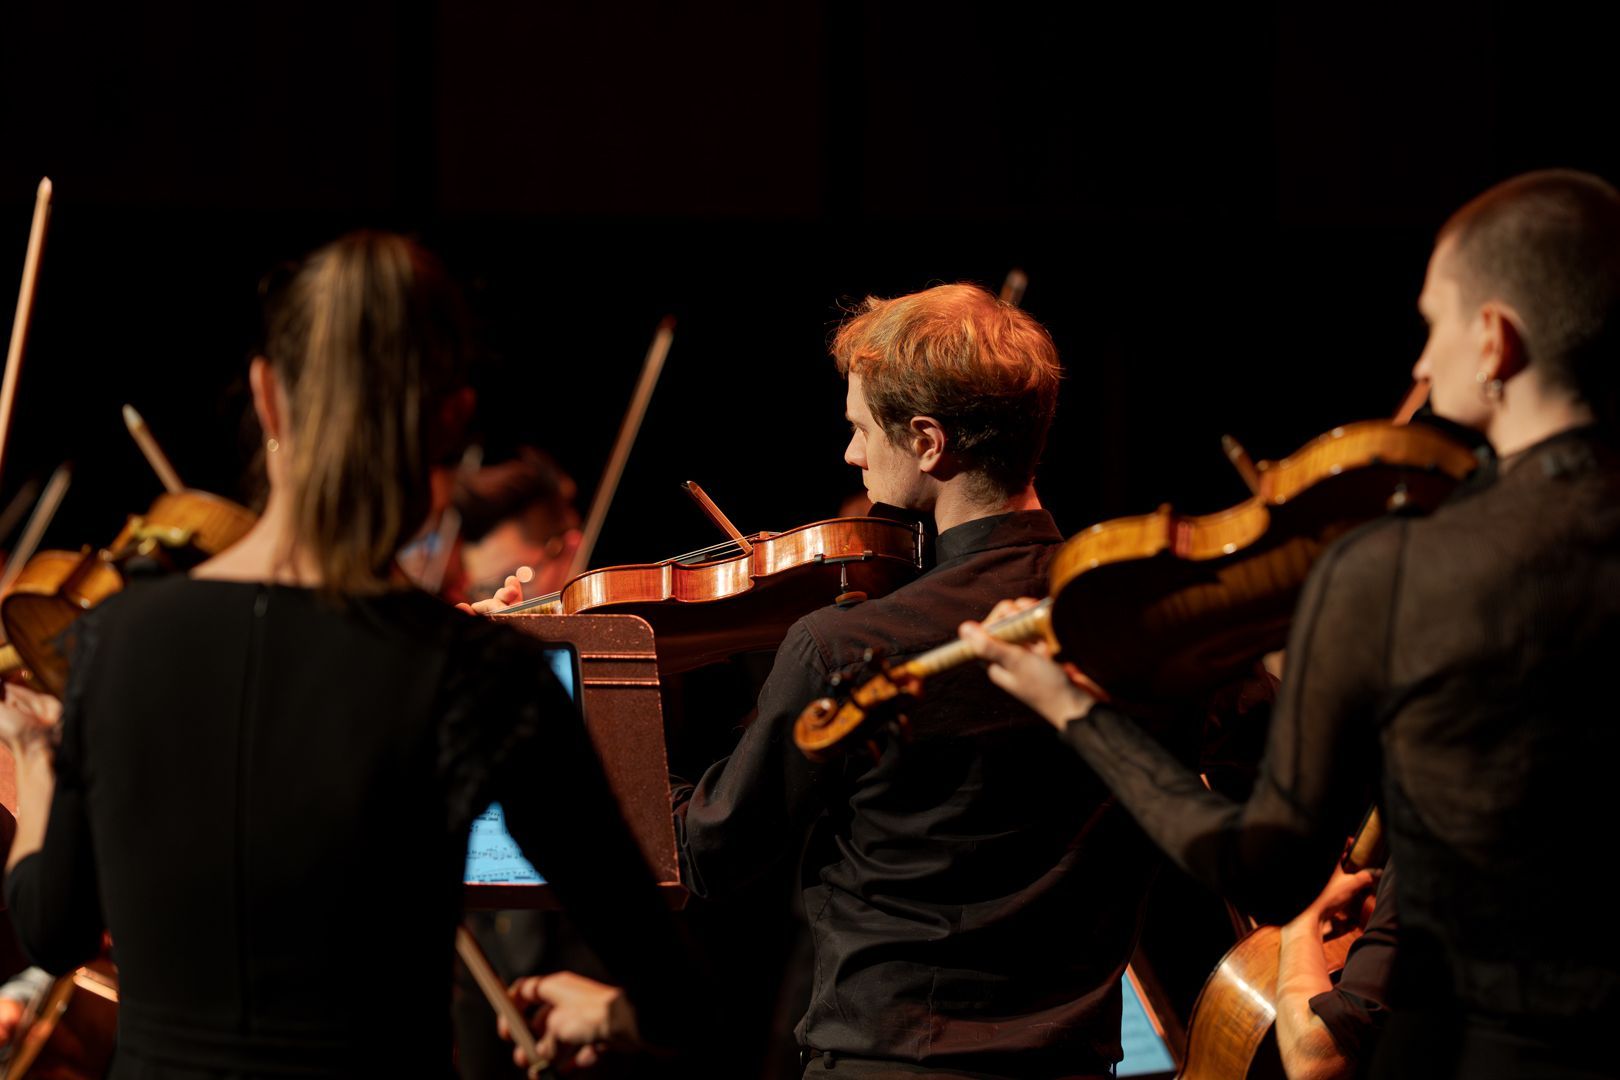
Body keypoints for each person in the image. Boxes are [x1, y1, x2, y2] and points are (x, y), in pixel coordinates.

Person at [960, 169, 1620, 1077]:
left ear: (1496, 340)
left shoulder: (1393, 567)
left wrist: (1075, 710)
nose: (1422, 367)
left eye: (1433, 325)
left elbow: (1262, 865)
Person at [0, 232, 692, 1077]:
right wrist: (609, 1012)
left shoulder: (112, 639)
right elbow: (677, 997)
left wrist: (37, 754)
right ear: (452, 418)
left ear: (267, 396)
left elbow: (53, 925)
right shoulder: (481, 673)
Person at [674, 283, 1162, 1078]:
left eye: (862, 430)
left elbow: (709, 856)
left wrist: (604, 700)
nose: (851, 455)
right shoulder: (1140, 621)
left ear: (929, 442)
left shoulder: (849, 646)